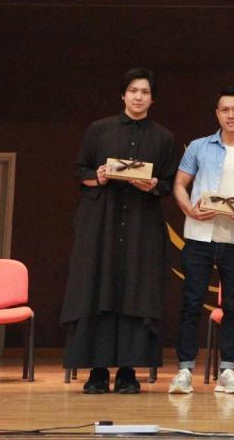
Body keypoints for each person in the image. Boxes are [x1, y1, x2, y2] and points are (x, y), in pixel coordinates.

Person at [60, 68, 177, 394]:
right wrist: (97, 176)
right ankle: (97, 371)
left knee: (136, 291)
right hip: (101, 221)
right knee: (98, 287)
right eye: (133, 91)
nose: (138, 97)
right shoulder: (99, 130)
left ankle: (128, 371)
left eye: (145, 92)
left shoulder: (164, 138)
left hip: (142, 224)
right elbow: (79, 170)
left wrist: (154, 184)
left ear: (152, 99)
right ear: (123, 95)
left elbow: (169, 182)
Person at [167, 87, 234, 395]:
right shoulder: (199, 146)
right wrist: (189, 209)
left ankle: (228, 371)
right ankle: (184, 370)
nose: (230, 115)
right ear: (217, 114)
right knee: (191, 302)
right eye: (225, 110)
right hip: (199, 235)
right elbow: (180, 184)